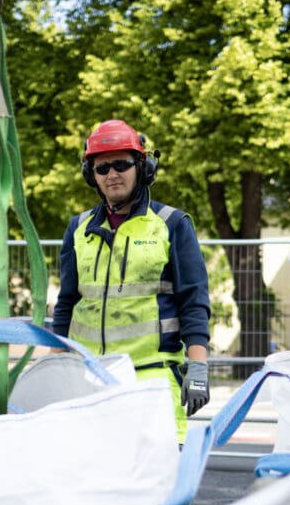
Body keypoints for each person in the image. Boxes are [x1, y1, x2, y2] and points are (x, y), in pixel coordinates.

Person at [52, 119, 211, 443]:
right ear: (91, 175)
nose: (112, 174)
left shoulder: (172, 224)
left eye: (122, 164)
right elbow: (67, 304)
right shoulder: (78, 229)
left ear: (142, 167)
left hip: (151, 381)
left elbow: (193, 301)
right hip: (90, 381)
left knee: (161, 490)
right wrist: (56, 367)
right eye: (102, 168)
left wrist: (197, 369)